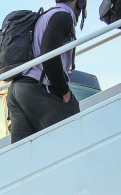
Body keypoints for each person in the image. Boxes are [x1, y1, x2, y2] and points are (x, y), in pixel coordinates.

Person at [7, 0, 87, 143]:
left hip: (18, 88)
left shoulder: (46, 15)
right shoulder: (63, 16)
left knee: (23, 153)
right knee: (71, 138)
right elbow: (49, 54)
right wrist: (64, 90)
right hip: (38, 87)